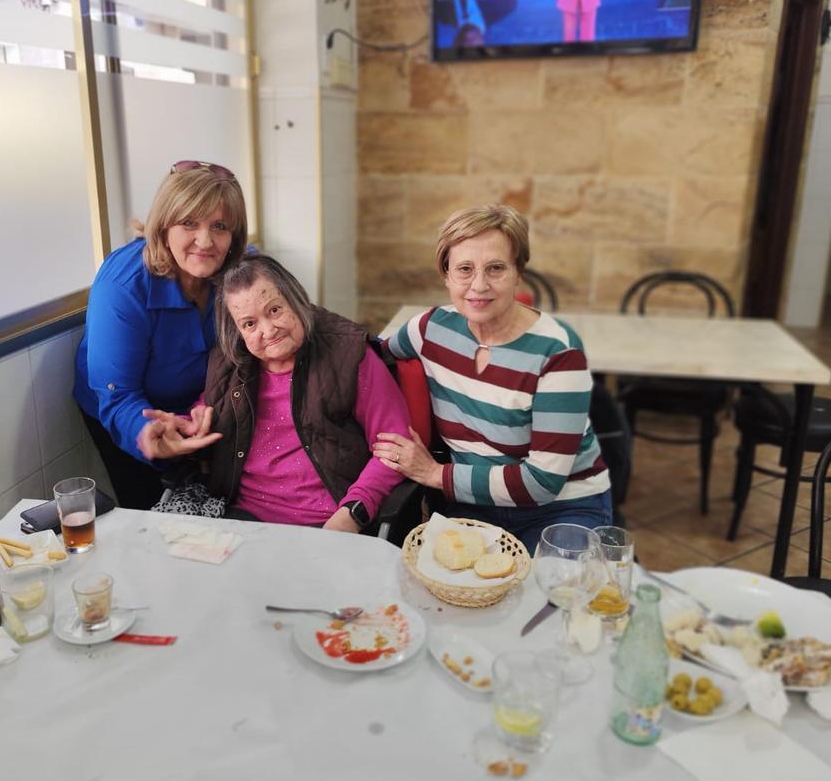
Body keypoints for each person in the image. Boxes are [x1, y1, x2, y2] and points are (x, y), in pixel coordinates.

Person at [377, 204, 612, 552]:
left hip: (560, 507)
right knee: (453, 597)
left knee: (555, 598)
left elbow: (542, 482)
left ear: (519, 272)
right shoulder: (429, 330)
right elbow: (368, 358)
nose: (479, 285)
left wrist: (432, 474)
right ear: (446, 275)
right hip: (469, 505)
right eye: (464, 270)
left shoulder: (558, 353)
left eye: (496, 268)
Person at [137, 254, 412, 532]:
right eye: (249, 324)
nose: (268, 331)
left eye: (274, 310)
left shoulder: (349, 354)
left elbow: (395, 447)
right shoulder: (228, 363)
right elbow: (205, 412)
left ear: (295, 299)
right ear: (237, 331)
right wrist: (181, 431)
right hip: (240, 518)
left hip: (327, 522)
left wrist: (354, 511)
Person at [72, 161, 248, 510]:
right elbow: (118, 394)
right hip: (134, 411)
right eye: (188, 223)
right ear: (163, 226)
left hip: (204, 407)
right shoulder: (123, 286)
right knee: (153, 519)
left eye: (220, 226)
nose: (205, 241)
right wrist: (145, 434)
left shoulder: (244, 271)